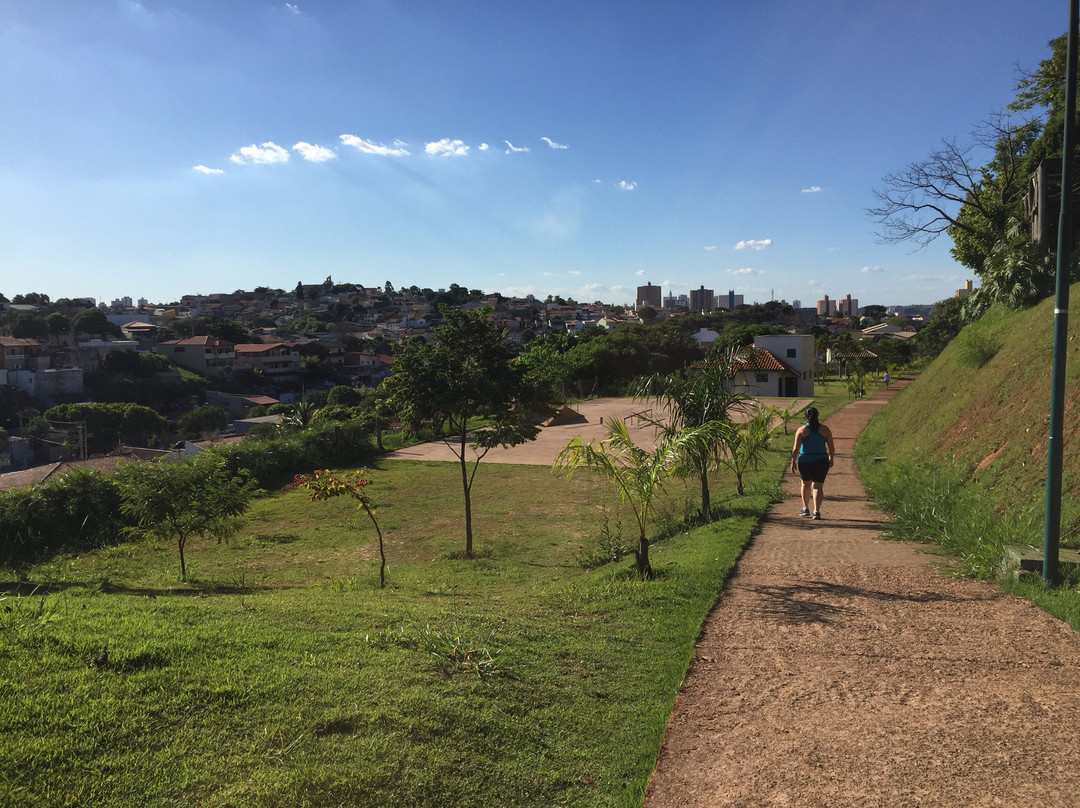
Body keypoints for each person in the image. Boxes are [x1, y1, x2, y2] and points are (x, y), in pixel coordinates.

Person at [790, 406, 836, 520]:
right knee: (818, 487)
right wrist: (831, 457)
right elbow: (831, 446)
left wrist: (793, 461)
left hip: (805, 461)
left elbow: (796, 448)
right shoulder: (825, 429)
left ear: (806, 417)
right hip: (821, 460)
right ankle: (816, 511)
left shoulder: (802, 430)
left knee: (805, 484)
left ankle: (805, 508)